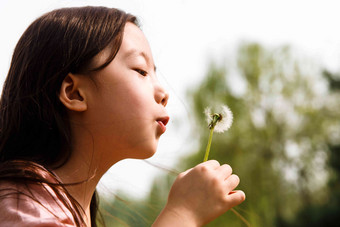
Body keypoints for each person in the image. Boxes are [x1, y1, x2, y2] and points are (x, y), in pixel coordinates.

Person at [0, 6, 245, 227]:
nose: (163, 93)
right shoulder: (22, 208)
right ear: (74, 93)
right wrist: (182, 215)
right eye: (141, 70)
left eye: (154, 74)